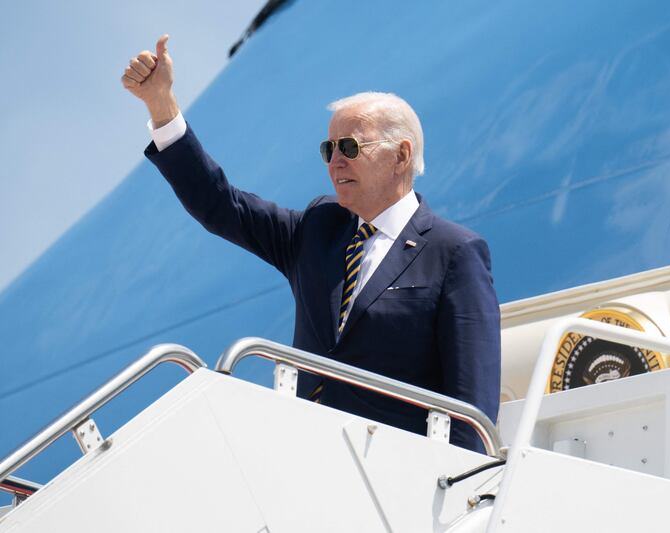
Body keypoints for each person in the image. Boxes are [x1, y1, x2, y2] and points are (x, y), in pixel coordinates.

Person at [122, 35, 500, 453]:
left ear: (401, 155)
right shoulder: (318, 230)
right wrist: (161, 105)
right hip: (303, 465)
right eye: (329, 148)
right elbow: (220, 205)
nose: (335, 161)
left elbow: (472, 411)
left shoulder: (454, 253)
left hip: (395, 486)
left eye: (351, 147)